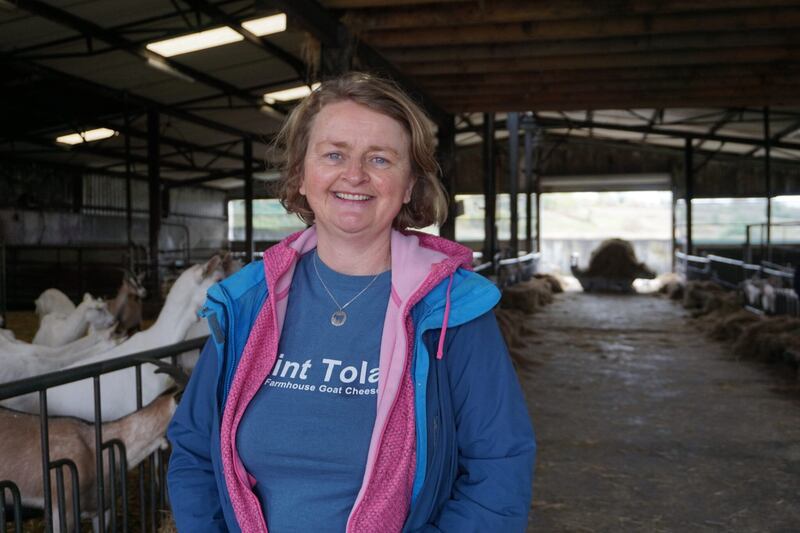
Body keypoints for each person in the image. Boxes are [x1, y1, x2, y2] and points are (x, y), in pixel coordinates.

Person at [167, 72, 535, 533]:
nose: (355, 174)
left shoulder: (450, 310)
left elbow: (498, 467)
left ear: (409, 186)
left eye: (380, 159)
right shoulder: (246, 302)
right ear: (301, 174)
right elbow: (194, 451)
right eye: (334, 154)